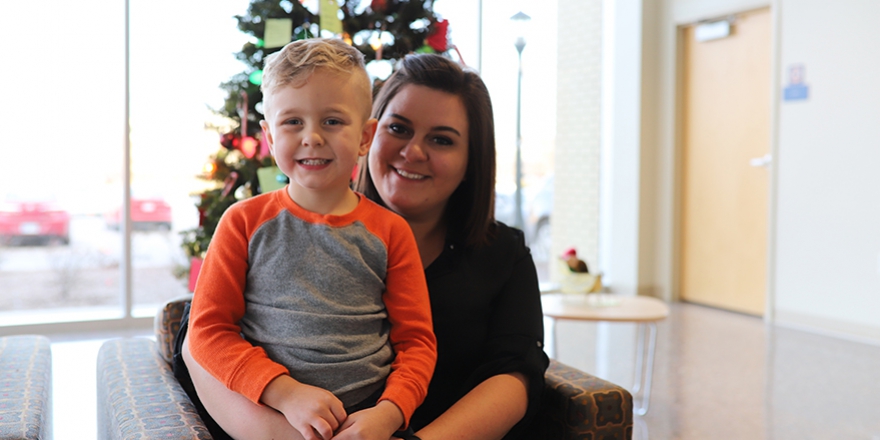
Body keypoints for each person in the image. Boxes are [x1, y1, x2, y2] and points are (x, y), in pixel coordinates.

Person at [174, 38, 437, 440]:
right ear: (269, 136)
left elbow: (416, 343)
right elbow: (208, 331)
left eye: (332, 121)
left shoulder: (391, 232)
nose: (312, 137)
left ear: (365, 137)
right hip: (269, 412)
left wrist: (389, 414)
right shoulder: (241, 222)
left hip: (369, 424)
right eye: (292, 122)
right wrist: (285, 393)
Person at [355, 53, 550, 439]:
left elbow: (514, 376)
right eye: (398, 128)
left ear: (469, 161)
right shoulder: (294, 227)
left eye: (441, 140)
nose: (413, 152)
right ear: (369, 133)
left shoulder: (504, 255)